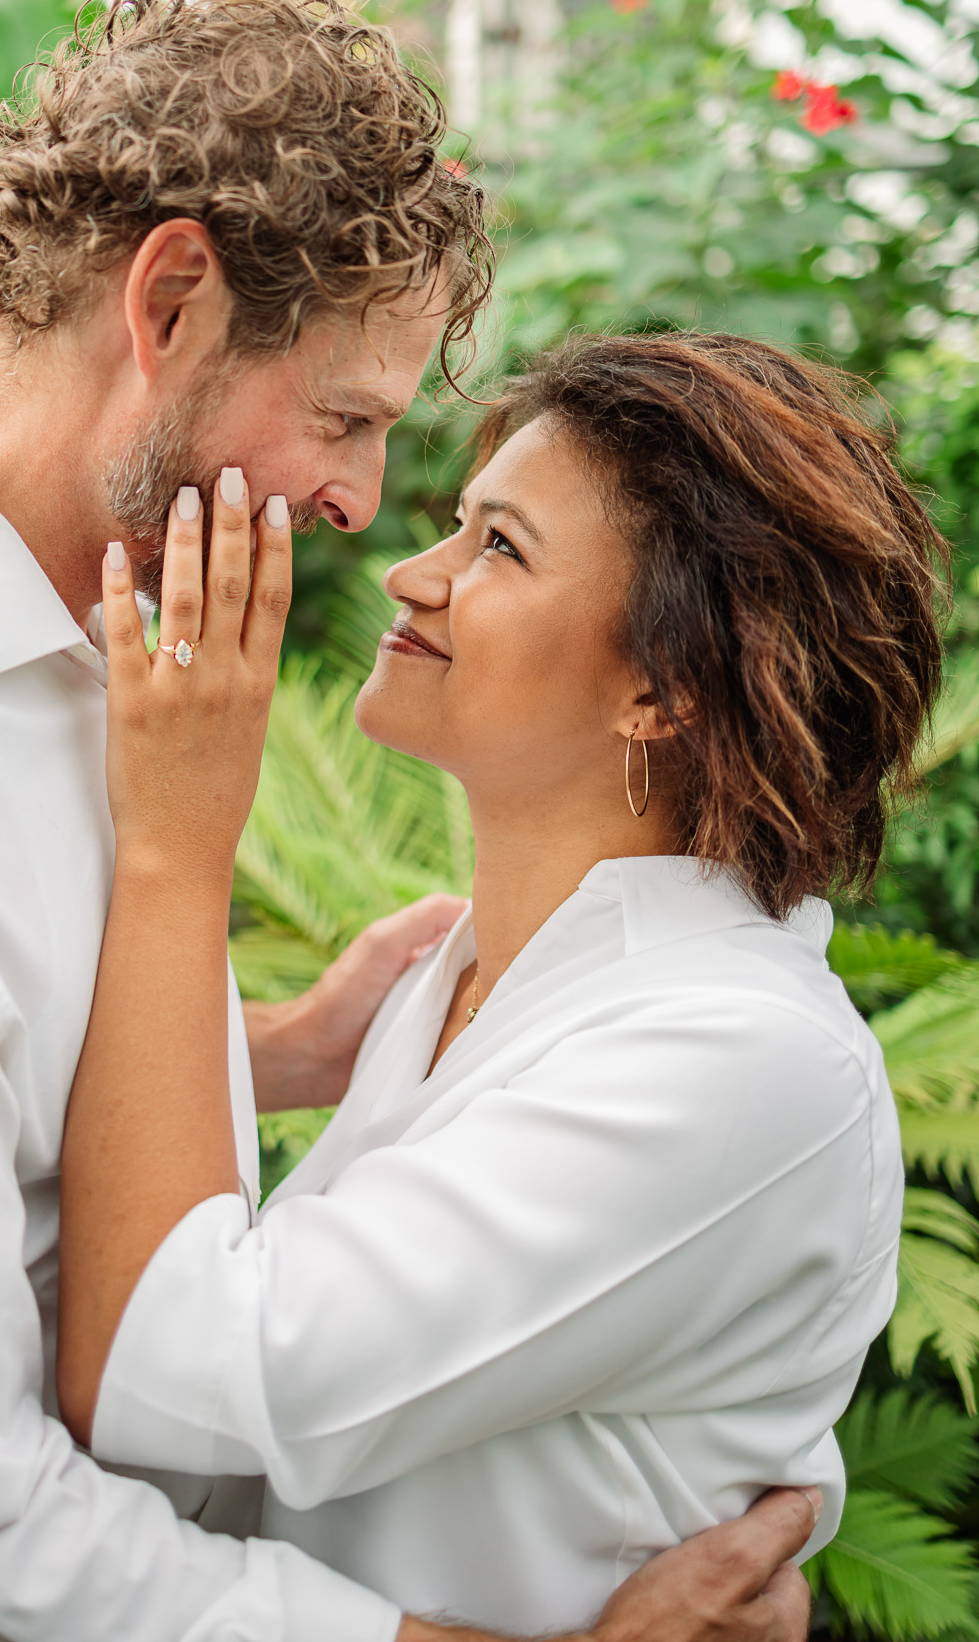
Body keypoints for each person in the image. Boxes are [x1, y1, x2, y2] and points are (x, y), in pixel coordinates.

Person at [0, 0, 813, 1642]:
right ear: (168, 301)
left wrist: (283, 1051)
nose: (358, 504)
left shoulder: (89, 650)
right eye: (343, 417)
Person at [57, 331, 942, 1637]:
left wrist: (176, 852)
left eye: (499, 548)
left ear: (661, 689)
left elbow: (162, 1371)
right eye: (455, 527)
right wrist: (290, 1052)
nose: (415, 577)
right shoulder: (463, 971)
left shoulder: (737, 1059)